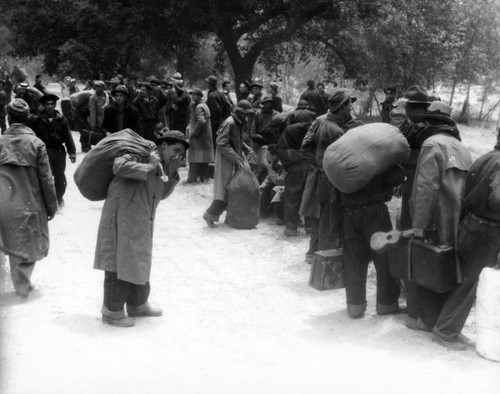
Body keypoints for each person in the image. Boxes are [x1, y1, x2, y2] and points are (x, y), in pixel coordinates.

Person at [94, 130, 188, 327]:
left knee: (140, 257)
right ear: (163, 144)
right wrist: (148, 166)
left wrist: (170, 172)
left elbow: (161, 195)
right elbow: (118, 166)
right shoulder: (140, 152)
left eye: (180, 153)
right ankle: (111, 311)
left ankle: (138, 304)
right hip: (121, 216)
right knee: (119, 260)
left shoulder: (163, 165)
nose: (177, 155)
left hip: (142, 217)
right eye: (175, 150)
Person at [406, 101, 472, 332]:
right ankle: (438, 317)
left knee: (426, 262)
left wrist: (418, 224)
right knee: (446, 264)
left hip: (433, 215)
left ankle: (426, 320)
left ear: (431, 123)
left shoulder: (431, 143)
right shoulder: (461, 148)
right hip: (455, 219)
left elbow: (425, 186)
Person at [432, 130, 500, 350]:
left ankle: (441, 324)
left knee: (459, 276)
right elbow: (497, 200)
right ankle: (446, 331)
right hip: (487, 231)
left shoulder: (486, 157)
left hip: (470, 225)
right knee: (470, 282)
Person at [0, 99, 58, 297]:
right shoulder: (36, 144)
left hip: (5, 201)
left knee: (10, 238)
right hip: (30, 200)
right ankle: (22, 283)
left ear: (8, 118)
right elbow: (47, 179)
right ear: (26, 120)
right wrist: (52, 206)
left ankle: (20, 281)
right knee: (30, 240)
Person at [301, 89, 363, 264]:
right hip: (328, 178)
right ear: (342, 106)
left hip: (325, 176)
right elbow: (306, 148)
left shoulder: (334, 123)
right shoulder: (329, 126)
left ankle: (320, 255)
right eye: (348, 105)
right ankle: (324, 259)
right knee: (328, 218)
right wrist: (322, 166)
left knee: (325, 217)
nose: (350, 108)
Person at [203, 100, 254, 228]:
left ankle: (230, 217)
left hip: (233, 159)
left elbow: (237, 140)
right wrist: (236, 158)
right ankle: (210, 215)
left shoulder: (238, 122)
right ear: (239, 112)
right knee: (225, 189)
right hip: (226, 160)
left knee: (233, 189)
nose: (246, 116)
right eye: (245, 113)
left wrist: (246, 148)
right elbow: (221, 143)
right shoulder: (229, 122)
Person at [27, 93, 77, 206]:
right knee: (45, 176)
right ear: (44, 106)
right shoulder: (37, 119)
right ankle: (46, 200)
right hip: (43, 151)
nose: (50, 106)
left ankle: (59, 198)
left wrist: (72, 152)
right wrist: (29, 119)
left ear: (55, 105)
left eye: (52, 104)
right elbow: (29, 133)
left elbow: (68, 136)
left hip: (58, 151)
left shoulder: (61, 119)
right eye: (47, 104)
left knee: (60, 177)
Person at [277, 121, 313, 236]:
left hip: (293, 168)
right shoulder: (302, 131)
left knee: (292, 198)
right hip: (307, 165)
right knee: (309, 196)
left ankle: (291, 229)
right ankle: (310, 227)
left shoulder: (286, 136)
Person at [185, 88, 214, 183]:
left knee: (196, 158)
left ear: (199, 96)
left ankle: (193, 179)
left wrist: (193, 133)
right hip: (204, 137)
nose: (193, 97)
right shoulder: (203, 105)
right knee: (203, 158)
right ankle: (203, 178)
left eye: (195, 95)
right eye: (192, 95)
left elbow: (201, 121)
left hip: (199, 138)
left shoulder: (199, 107)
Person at [259, 143, 286, 222]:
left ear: (274, 155)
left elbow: (280, 181)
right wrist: (261, 186)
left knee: (274, 190)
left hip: (285, 185)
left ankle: (276, 217)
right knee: (262, 190)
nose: (267, 156)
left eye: (268, 154)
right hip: (277, 183)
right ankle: (264, 216)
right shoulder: (273, 163)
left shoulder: (284, 163)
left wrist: (269, 169)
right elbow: (269, 178)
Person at [205, 75, 231, 146]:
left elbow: (215, 111)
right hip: (223, 122)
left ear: (210, 84)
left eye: (207, 83)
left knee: (215, 143)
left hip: (215, 124)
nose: (206, 84)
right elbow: (228, 106)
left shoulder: (211, 96)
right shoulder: (220, 93)